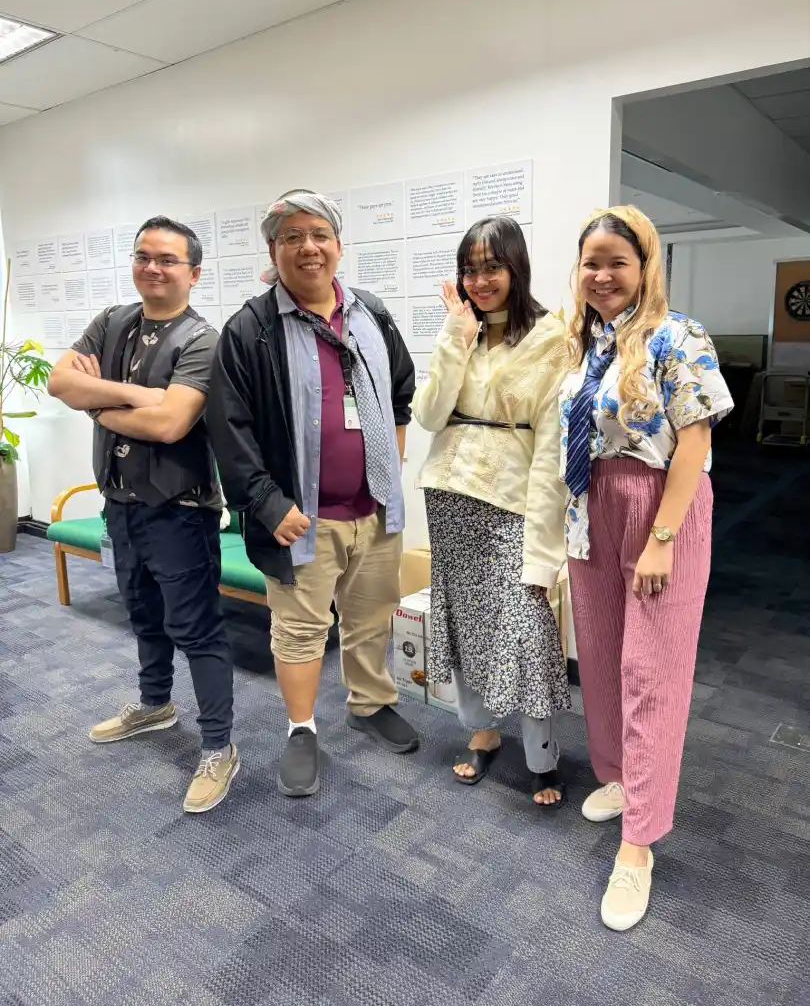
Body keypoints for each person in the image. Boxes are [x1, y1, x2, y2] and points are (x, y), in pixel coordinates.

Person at [206, 190, 418, 798]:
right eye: (292, 236)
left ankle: (370, 702)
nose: (308, 247)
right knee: (299, 632)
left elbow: (400, 392)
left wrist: (390, 468)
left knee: (369, 617)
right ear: (274, 251)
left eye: (319, 234)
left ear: (338, 245)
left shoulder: (370, 312)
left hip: (375, 511)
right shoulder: (252, 327)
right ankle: (302, 729)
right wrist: (269, 505)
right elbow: (230, 428)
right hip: (301, 518)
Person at [560, 205, 733, 930]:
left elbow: (692, 442)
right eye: (591, 262)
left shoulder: (677, 335)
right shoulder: (587, 341)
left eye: (617, 263)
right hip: (590, 508)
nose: (602, 276)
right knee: (599, 659)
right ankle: (621, 776)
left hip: (658, 505)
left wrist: (661, 536)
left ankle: (640, 844)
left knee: (650, 671)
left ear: (645, 267)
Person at [47, 216, 238, 814]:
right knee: (142, 615)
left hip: (179, 511)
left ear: (194, 273)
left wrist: (100, 401)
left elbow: (171, 424)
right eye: (142, 256)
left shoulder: (204, 340)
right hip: (120, 504)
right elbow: (58, 382)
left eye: (167, 260)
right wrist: (136, 395)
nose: (152, 268)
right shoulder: (112, 322)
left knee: (198, 630)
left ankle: (218, 747)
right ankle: (155, 704)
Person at [413, 217, 570, 807]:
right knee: (464, 622)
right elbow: (429, 416)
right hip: (449, 493)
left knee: (527, 631)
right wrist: (455, 334)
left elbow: (552, 452)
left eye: (492, 267)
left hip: (511, 501)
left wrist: (544, 552)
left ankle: (542, 758)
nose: (480, 281)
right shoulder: (461, 330)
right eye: (470, 269)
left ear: (515, 267)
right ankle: (481, 733)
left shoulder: (554, 339)